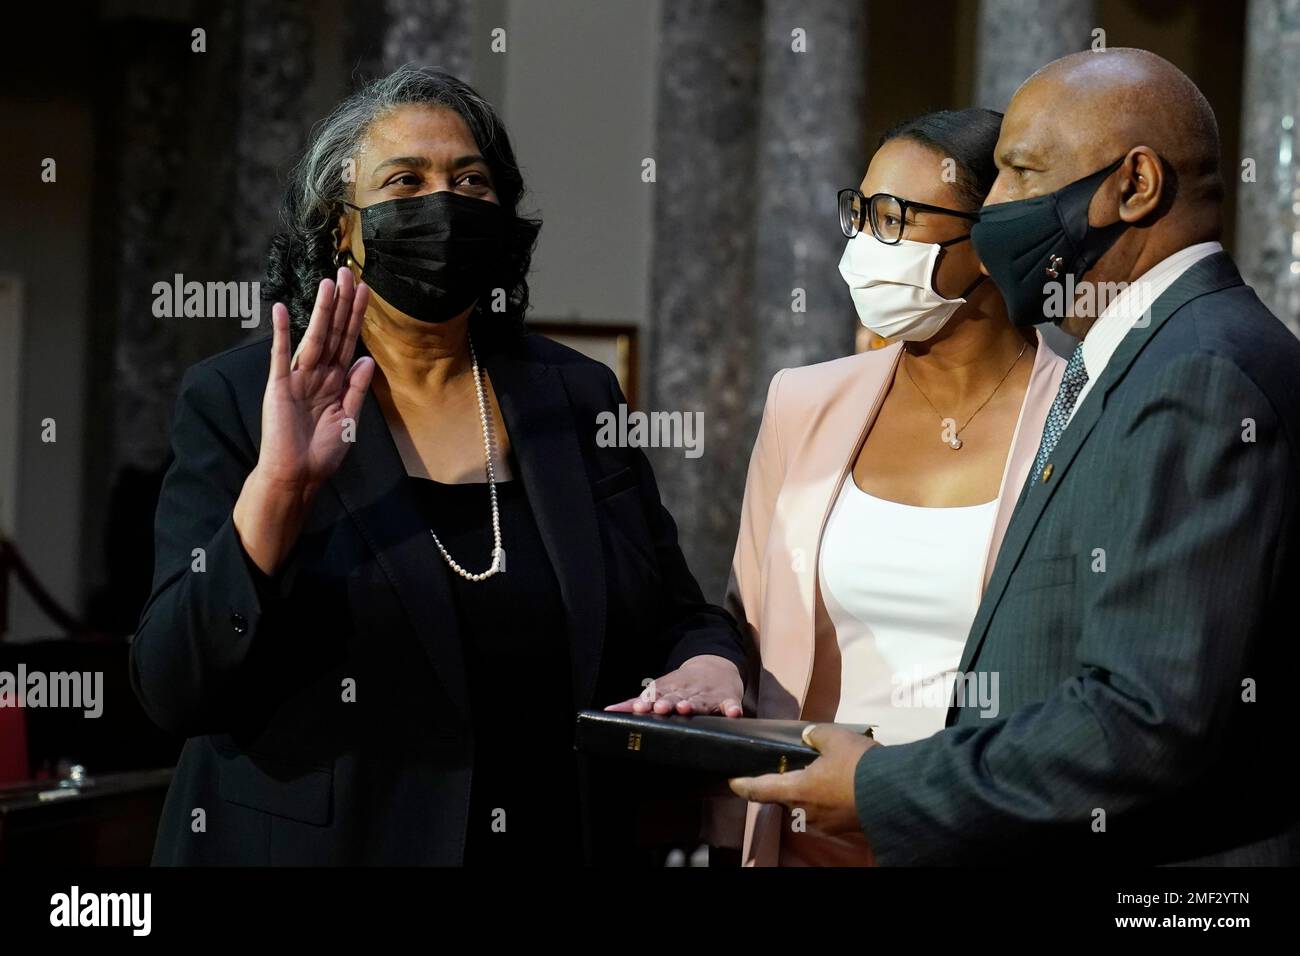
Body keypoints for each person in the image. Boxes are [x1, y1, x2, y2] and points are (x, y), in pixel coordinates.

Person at [130, 67, 745, 866]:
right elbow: (174, 685)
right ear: (339, 227)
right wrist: (279, 487)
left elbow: (670, 608)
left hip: (546, 839)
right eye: (404, 180)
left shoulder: (574, 395)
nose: (442, 204)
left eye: (471, 181)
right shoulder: (241, 396)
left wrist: (707, 662)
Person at [732, 48, 1300, 866]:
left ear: (1135, 186)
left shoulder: (1198, 374)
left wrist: (882, 786)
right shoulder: (1148, 355)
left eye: (1021, 176)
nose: (994, 210)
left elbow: (1147, 719)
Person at [718, 109, 1064, 866]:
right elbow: (748, 616)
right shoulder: (803, 403)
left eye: (894, 219)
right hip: (806, 835)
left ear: (988, 238)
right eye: (860, 213)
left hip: (988, 834)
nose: (862, 245)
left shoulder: (1081, 413)